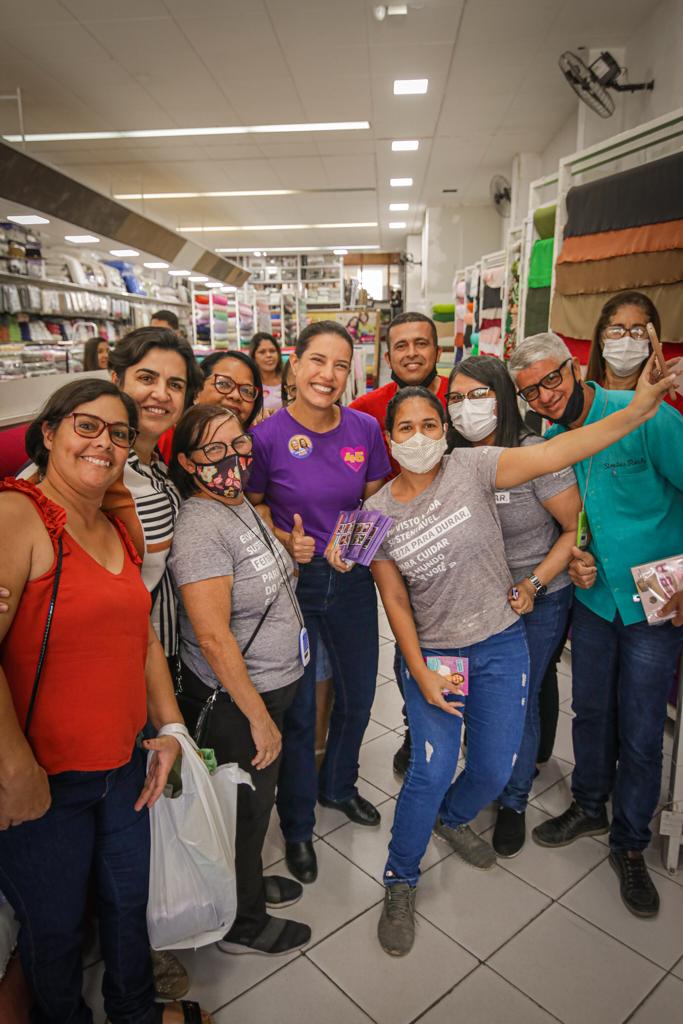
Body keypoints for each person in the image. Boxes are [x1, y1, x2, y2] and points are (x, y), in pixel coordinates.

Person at [364, 365, 674, 957]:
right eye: (407, 426)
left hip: (502, 642)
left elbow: (561, 448)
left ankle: (454, 818)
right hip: (434, 654)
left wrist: (635, 412)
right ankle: (399, 879)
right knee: (429, 771)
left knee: (495, 767)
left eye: (432, 422)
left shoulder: (475, 467)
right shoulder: (377, 512)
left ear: (446, 429)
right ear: (389, 438)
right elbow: (395, 600)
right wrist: (419, 670)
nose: (421, 435)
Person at [0, 377, 211, 1024]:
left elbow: (140, 634)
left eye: (119, 434)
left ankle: (136, 1013)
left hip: (124, 769)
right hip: (46, 781)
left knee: (127, 906)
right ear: (49, 433)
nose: (105, 443)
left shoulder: (116, 523)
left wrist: (171, 730)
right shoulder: (20, 516)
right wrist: (14, 768)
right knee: (55, 930)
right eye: (86, 426)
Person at [509, 331, 683, 919]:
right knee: (590, 711)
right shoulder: (554, 443)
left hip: (658, 598)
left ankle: (630, 844)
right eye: (530, 392)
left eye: (551, 380)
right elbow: (575, 519)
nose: (545, 396)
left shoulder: (643, 416)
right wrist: (578, 553)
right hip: (594, 597)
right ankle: (589, 803)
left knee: (640, 728)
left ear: (574, 367)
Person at [247, 321, 391, 885]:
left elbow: (380, 502)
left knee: (358, 697)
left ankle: (340, 787)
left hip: (352, 580)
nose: (327, 375)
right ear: (294, 365)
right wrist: (288, 541)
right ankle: (299, 827)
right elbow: (253, 506)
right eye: (317, 362)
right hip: (295, 586)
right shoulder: (266, 437)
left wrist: (351, 544)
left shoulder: (365, 428)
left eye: (339, 365)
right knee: (302, 711)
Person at [168, 404, 310, 956]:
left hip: (274, 683)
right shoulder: (200, 524)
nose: (232, 459)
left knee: (253, 806)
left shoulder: (240, 505)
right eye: (213, 451)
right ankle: (243, 921)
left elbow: (263, 581)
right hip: (236, 702)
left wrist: (290, 558)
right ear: (186, 461)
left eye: (239, 444)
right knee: (244, 813)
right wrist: (257, 717)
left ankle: (245, 885)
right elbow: (212, 637)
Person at [447, 355, 578, 857]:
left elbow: (573, 528)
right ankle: (486, 777)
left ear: (501, 396)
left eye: (477, 395)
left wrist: (534, 584)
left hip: (537, 600)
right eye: (456, 398)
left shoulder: (534, 452)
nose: (466, 408)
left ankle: (515, 799)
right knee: (481, 699)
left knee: (517, 703)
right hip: (478, 601)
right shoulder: (451, 458)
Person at [350, 312, 450, 777]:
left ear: (437, 350)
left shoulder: (463, 393)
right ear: (387, 356)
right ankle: (417, 728)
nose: (412, 353)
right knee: (408, 640)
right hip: (399, 551)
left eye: (421, 343)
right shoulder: (366, 408)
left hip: (462, 539)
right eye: (401, 345)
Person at [156, 349, 264, 465]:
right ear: (197, 391)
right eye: (224, 384)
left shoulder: (258, 444)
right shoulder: (164, 439)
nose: (236, 396)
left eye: (247, 390)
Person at [250, 332, 284, 413]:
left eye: (272, 351)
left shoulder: (289, 380)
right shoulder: (250, 385)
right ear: (254, 357)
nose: (269, 355)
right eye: (262, 352)